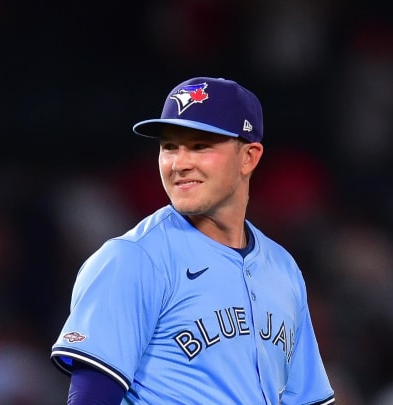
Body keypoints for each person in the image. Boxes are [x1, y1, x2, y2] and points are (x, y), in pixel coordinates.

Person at [50, 77, 335, 404]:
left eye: (200, 146)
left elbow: (306, 398)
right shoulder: (132, 260)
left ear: (249, 157)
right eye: (169, 146)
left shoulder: (282, 268)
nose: (180, 164)